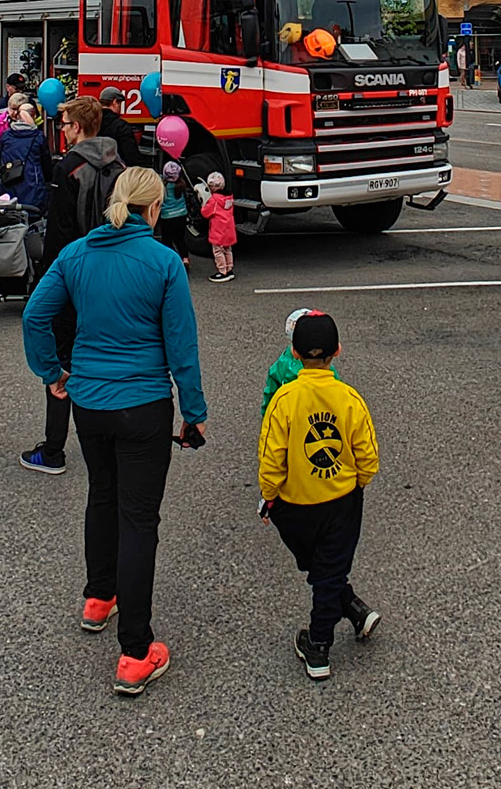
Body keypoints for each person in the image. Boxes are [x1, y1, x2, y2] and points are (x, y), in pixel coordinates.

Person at [23, 166, 209, 696]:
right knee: (139, 520)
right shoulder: (163, 262)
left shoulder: (78, 253)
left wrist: (52, 372)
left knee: (102, 496)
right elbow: (182, 346)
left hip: (89, 400)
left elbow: (36, 316)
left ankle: (99, 596)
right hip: (144, 403)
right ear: (153, 209)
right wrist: (192, 411)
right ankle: (134, 650)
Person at [257, 310, 382, 680]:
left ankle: (319, 644)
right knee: (329, 568)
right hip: (340, 499)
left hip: (295, 503)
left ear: (294, 353)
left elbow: (271, 456)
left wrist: (269, 494)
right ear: (337, 351)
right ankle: (347, 611)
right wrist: (359, 482)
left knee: (322, 568)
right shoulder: (348, 398)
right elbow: (367, 454)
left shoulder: (284, 399)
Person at [20, 96, 124, 477]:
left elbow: (59, 233)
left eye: (64, 124)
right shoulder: (119, 164)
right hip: (113, 272)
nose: (61, 130)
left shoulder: (68, 167)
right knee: (108, 355)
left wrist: (46, 281)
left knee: (62, 363)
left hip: (74, 273)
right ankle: (109, 439)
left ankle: (53, 450)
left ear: (77, 128)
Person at [260, 308, 344, 417]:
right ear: (337, 350)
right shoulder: (350, 397)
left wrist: (267, 413)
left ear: (294, 350)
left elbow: (270, 392)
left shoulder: (281, 365)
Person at [0, 100, 50, 210]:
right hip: (32, 186)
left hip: (8, 182)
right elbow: (46, 164)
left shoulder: (6, 135)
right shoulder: (38, 137)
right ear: (34, 116)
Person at [97, 86, 146, 167]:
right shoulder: (122, 127)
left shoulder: (92, 124)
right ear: (115, 102)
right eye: (120, 104)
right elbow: (131, 157)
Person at [201, 171, 236, 282]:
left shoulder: (214, 200)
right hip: (228, 229)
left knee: (218, 251)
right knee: (227, 249)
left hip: (218, 230)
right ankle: (229, 269)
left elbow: (205, 213)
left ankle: (222, 271)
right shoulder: (229, 198)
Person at [157, 161, 190, 266]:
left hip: (167, 217)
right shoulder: (182, 185)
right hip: (181, 215)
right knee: (179, 239)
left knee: (167, 240)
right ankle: (185, 258)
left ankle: (173, 259)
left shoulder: (163, 186)